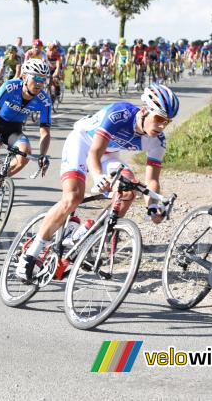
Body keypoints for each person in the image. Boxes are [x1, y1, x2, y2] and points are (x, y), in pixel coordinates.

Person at [15, 83, 180, 282]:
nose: (162, 126)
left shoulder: (158, 140)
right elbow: (94, 152)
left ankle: (90, 237)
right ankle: (30, 254)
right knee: (73, 197)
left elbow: (151, 180)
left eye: (167, 122)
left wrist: (153, 206)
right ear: (145, 111)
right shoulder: (120, 114)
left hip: (108, 154)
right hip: (82, 143)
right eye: (160, 118)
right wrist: (99, 177)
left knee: (129, 190)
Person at [0, 59, 52, 178]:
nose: (40, 83)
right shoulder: (10, 86)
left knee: (25, 154)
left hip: (14, 129)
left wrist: (42, 155)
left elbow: (45, 132)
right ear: (24, 77)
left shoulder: (45, 100)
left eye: (43, 79)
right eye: (36, 78)